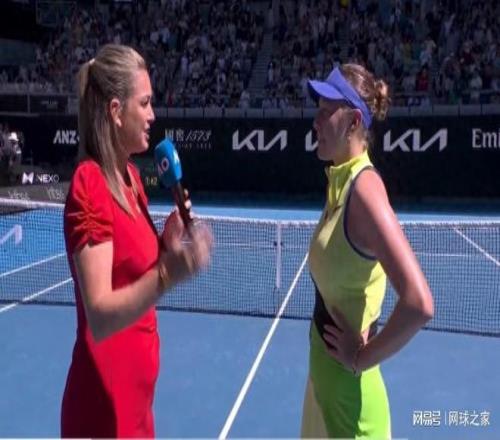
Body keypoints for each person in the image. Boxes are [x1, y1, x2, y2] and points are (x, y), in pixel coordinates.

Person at [61, 44, 213, 438]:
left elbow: (131, 270)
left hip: (136, 404)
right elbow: (99, 315)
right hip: (103, 409)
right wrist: (168, 273)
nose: (152, 115)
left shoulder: (130, 178)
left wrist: (167, 242)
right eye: (144, 103)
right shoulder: (90, 184)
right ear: (116, 111)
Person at [301, 64, 434, 439]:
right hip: (325, 391)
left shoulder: (364, 192)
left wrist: (361, 357)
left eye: (326, 112)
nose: (315, 122)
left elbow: (420, 303)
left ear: (353, 121)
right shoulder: (339, 182)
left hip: (352, 411)